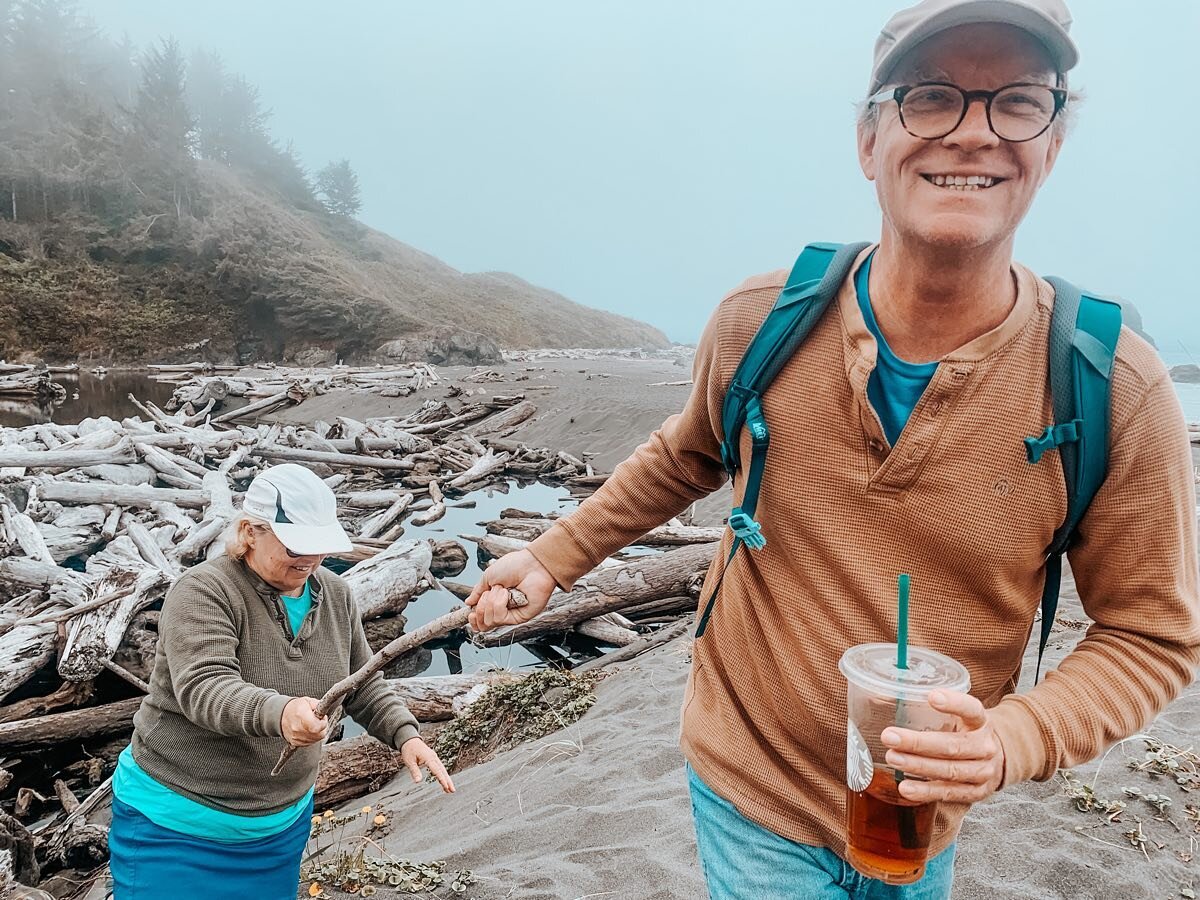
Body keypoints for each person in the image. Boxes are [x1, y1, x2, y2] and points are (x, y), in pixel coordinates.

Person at [466, 1, 1200, 897]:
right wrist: (553, 556)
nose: (973, 135)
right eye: (931, 97)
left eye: (1016, 102)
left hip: (924, 811)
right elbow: (688, 452)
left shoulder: (1113, 384)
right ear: (868, 140)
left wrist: (1010, 740)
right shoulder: (761, 322)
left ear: (1052, 145)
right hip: (749, 777)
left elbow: (1150, 634)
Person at [108, 463, 454, 900]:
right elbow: (205, 687)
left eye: (320, 546)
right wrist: (282, 712)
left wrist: (405, 735)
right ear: (251, 532)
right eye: (296, 546)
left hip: (278, 830)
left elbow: (361, 683)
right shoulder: (203, 591)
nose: (310, 560)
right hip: (175, 827)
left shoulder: (336, 594)